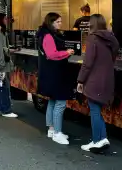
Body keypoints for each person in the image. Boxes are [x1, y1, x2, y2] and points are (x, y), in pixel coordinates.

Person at [77, 14, 119, 153]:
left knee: (94, 110)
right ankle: (102, 138)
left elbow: (87, 63)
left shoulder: (92, 39)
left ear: (92, 24)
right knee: (97, 109)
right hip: (108, 80)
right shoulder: (111, 39)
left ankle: (97, 140)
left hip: (94, 80)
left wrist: (80, 80)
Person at [37, 12, 75, 145]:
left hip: (50, 74)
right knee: (60, 103)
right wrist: (67, 52)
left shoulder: (44, 34)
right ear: (51, 22)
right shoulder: (48, 36)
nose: (60, 24)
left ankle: (51, 129)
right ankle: (57, 133)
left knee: (53, 101)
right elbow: (52, 54)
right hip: (56, 74)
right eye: (58, 22)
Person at [0, 13, 18, 119]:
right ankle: (5, 110)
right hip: (1, 63)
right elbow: (1, 48)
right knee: (3, 86)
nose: (7, 20)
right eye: (6, 18)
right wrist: (11, 50)